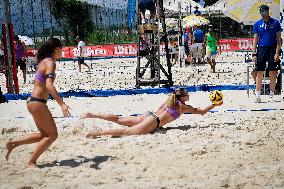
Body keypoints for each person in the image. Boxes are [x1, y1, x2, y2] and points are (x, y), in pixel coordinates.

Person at [5, 37, 71, 168]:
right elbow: (49, 86)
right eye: (61, 50)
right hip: (38, 103)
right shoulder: (50, 62)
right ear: (57, 49)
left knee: (43, 135)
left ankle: (14, 143)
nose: (61, 53)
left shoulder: (43, 61)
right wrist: (62, 104)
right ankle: (31, 161)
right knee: (52, 135)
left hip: (32, 101)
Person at [81, 88, 222, 138]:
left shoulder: (170, 98)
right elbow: (202, 112)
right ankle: (96, 133)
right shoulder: (182, 106)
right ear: (183, 97)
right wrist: (214, 104)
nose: (189, 96)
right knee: (125, 132)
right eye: (188, 95)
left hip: (148, 115)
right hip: (154, 122)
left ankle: (92, 114)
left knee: (119, 119)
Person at [252, 5, 282, 103]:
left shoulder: (275, 22)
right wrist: (253, 53)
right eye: (261, 12)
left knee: (273, 72)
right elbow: (255, 39)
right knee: (259, 72)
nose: (263, 14)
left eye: (264, 12)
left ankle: (271, 95)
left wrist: (277, 53)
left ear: (268, 11)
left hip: (273, 48)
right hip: (261, 48)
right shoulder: (257, 24)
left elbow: (279, 40)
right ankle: (258, 95)